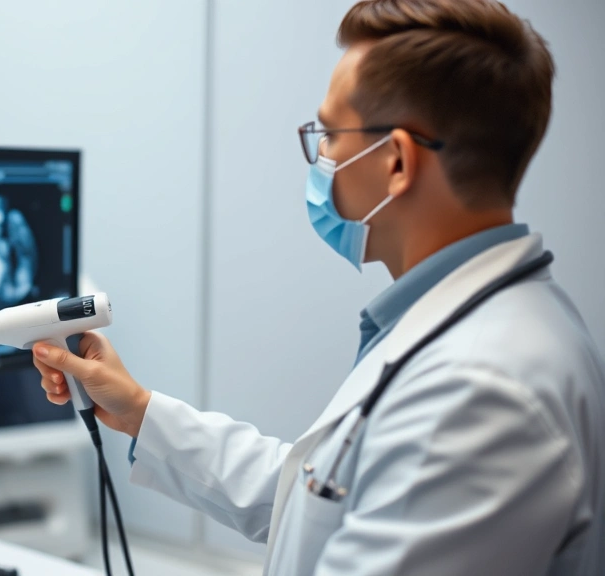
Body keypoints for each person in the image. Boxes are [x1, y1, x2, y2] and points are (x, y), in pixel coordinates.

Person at [32, 1, 605, 574]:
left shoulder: (483, 392)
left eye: (329, 134)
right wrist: (137, 410)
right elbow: (321, 497)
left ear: (397, 163)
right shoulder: (477, 328)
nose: (320, 157)